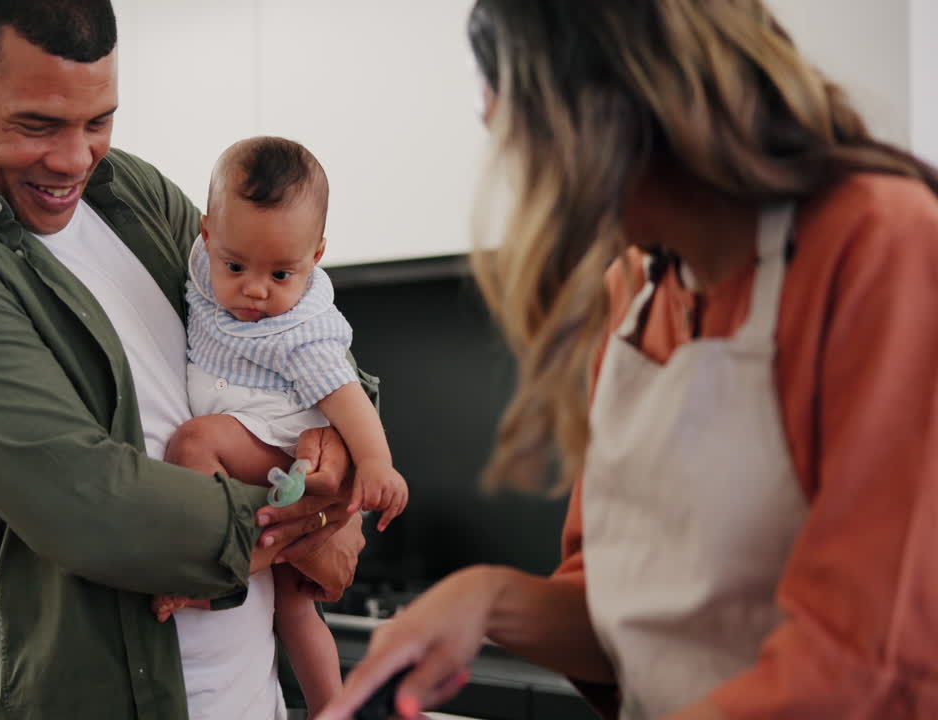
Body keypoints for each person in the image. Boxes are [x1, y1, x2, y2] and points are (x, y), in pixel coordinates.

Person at [317, 1, 938, 719]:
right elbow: (630, 618)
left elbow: (866, 661)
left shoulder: (880, 247)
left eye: (527, 131)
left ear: (613, 99)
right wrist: (488, 597)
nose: (522, 176)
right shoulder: (637, 289)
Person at [0, 1, 373, 718]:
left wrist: (336, 460)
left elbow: (294, 339)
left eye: (97, 121)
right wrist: (309, 521)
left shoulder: (126, 190)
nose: (74, 158)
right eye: (37, 124)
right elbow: (97, 507)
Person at [149, 137, 410, 713]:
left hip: (281, 442)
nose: (256, 291)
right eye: (235, 266)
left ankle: (203, 570)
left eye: (281, 274)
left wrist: (376, 464)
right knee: (294, 609)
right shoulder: (199, 270)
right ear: (207, 237)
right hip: (268, 449)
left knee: (195, 441)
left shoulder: (301, 333)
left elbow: (347, 400)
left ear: (316, 256)